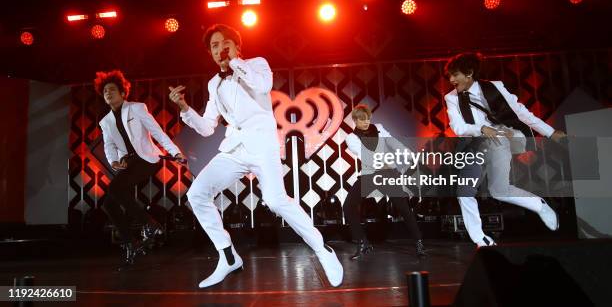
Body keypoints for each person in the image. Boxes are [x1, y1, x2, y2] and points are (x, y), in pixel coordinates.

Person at [168, 24, 343, 288]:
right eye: (213, 46)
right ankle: (227, 256)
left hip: (262, 146)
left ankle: (321, 248)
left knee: (274, 200)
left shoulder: (257, 64)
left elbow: (263, 86)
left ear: (237, 47)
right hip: (234, 149)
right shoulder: (214, 83)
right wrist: (184, 108)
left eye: (224, 44)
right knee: (196, 194)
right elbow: (206, 127)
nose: (219, 50)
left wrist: (235, 62)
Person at [444, 53, 567, 247]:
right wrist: (481, 128)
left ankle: (539, 205)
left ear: (469, 73)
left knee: (499, 191)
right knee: (464, 192)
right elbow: (457, 127)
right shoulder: (451, 98)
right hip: (475, 144)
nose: (451, 80)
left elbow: (521, 112)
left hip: (499, 140)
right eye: (449, 75)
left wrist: (550, 132)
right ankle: (481, 240)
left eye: (455, 74)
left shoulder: (495, 87)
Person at [96, 70, 185, 267]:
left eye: (111, 90)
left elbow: (157, 132)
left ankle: (150, 224)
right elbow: (109, 146)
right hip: (128, 163)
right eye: (104, 92)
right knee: (108, 204)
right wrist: (113, 162)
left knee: (114, 189)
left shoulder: (136, 109)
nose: (108, 94)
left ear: (122, 92)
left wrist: (175, 152)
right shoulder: (105, 122)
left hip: (146, 159)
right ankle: (131, 243)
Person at [344, 104, 426, 259]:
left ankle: (419, 242)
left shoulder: (380, 128)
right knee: (348, 206)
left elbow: (394, 144)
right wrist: (382, 161)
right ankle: (363, 243)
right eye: (361, 119)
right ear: (354, 120)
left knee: (403, 207)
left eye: (367, 118)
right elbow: (364, 155)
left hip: (388, 173)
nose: (365, 122)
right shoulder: (351, 138)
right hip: (370, 175)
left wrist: (411, 156)